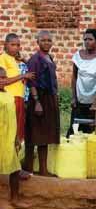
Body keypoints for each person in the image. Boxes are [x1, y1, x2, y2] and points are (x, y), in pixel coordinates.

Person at [24, 31, 60, 176]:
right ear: (37, 42)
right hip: (39, 99)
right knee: (35, 133)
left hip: (49, 99)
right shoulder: (35, 59)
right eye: (43, 40)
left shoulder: (49, 57)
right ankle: (29, 167)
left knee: (44, 135)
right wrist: (37, 101)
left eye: (49, 40)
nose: (46, 43)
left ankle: (43, 169)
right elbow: (31, 81)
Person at [67, 29, 96, 136]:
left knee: (93, 131)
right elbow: (74, 77)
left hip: (95, 101)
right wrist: (73, 97)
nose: (87, 42)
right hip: (80, 99)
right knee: (75, 130)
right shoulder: (77, 56)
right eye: (85, 39)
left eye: (90, 39)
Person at [0, 67, 31, 209]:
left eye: (4, 77)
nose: (3, 80)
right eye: (0, 78)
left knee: (14, 168)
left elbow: (12, 119)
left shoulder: (7, 94)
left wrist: (17, 137)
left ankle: (15, 199)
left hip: (9, 138)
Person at [0, 33, 35, 142]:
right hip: (9, 99)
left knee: (18, 132)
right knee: (9, 132)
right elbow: (2, 82)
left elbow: (32, 69)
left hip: (19, 98)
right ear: (5, 45)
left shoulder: (16, 60)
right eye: (13, 44)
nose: (16, 47)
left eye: (18, 45)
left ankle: (15, 156)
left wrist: (23, 60)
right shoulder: (3, 58)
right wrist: (23, 76)